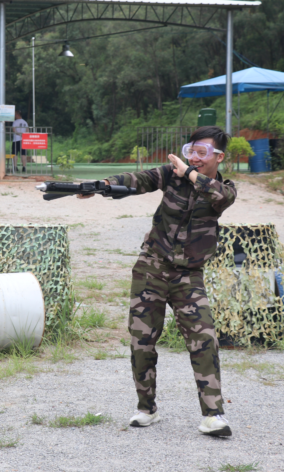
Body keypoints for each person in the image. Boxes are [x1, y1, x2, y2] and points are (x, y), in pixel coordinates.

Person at [78, 126, 237, 437]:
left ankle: (213, 416)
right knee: (142, 341)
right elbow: (140, 180)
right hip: (151, 268)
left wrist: (190, 172)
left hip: (188, 276)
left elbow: (219, 196)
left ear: (219, 157)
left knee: (204, 340)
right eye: (191, 149)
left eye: (202, 152)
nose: (194, 157)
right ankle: (146, 408)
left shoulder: (223, 189)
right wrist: (103, 185)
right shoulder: (172, 174)